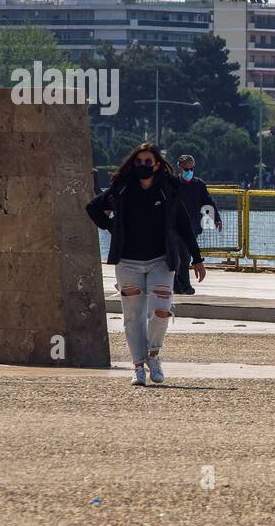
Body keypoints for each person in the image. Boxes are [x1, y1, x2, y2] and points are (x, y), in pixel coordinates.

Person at [86, 143, 206, 386]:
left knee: (162, 310)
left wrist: (197, 258)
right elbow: (93, 208)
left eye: (148, 162)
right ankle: (138, 367)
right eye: (139, 162)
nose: (143, 166)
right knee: (133, 317)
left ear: (157, 165)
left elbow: (183, 224)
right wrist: (112, 228)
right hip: (127, 262)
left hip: (161, 260)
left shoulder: (168, 189)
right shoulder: (122, 189)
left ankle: (153, 356)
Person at [173, 154, 222, 295]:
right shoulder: (174, 184)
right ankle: (181, 286)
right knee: (176, 256)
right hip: (175, 227)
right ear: (180, 168)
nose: (189, 171)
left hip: (192, 227)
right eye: (186, 169)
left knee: (186, 256)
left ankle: (183, 286)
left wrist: (216, 218)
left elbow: (207, 202)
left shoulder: (199, 185)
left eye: (191, 168)